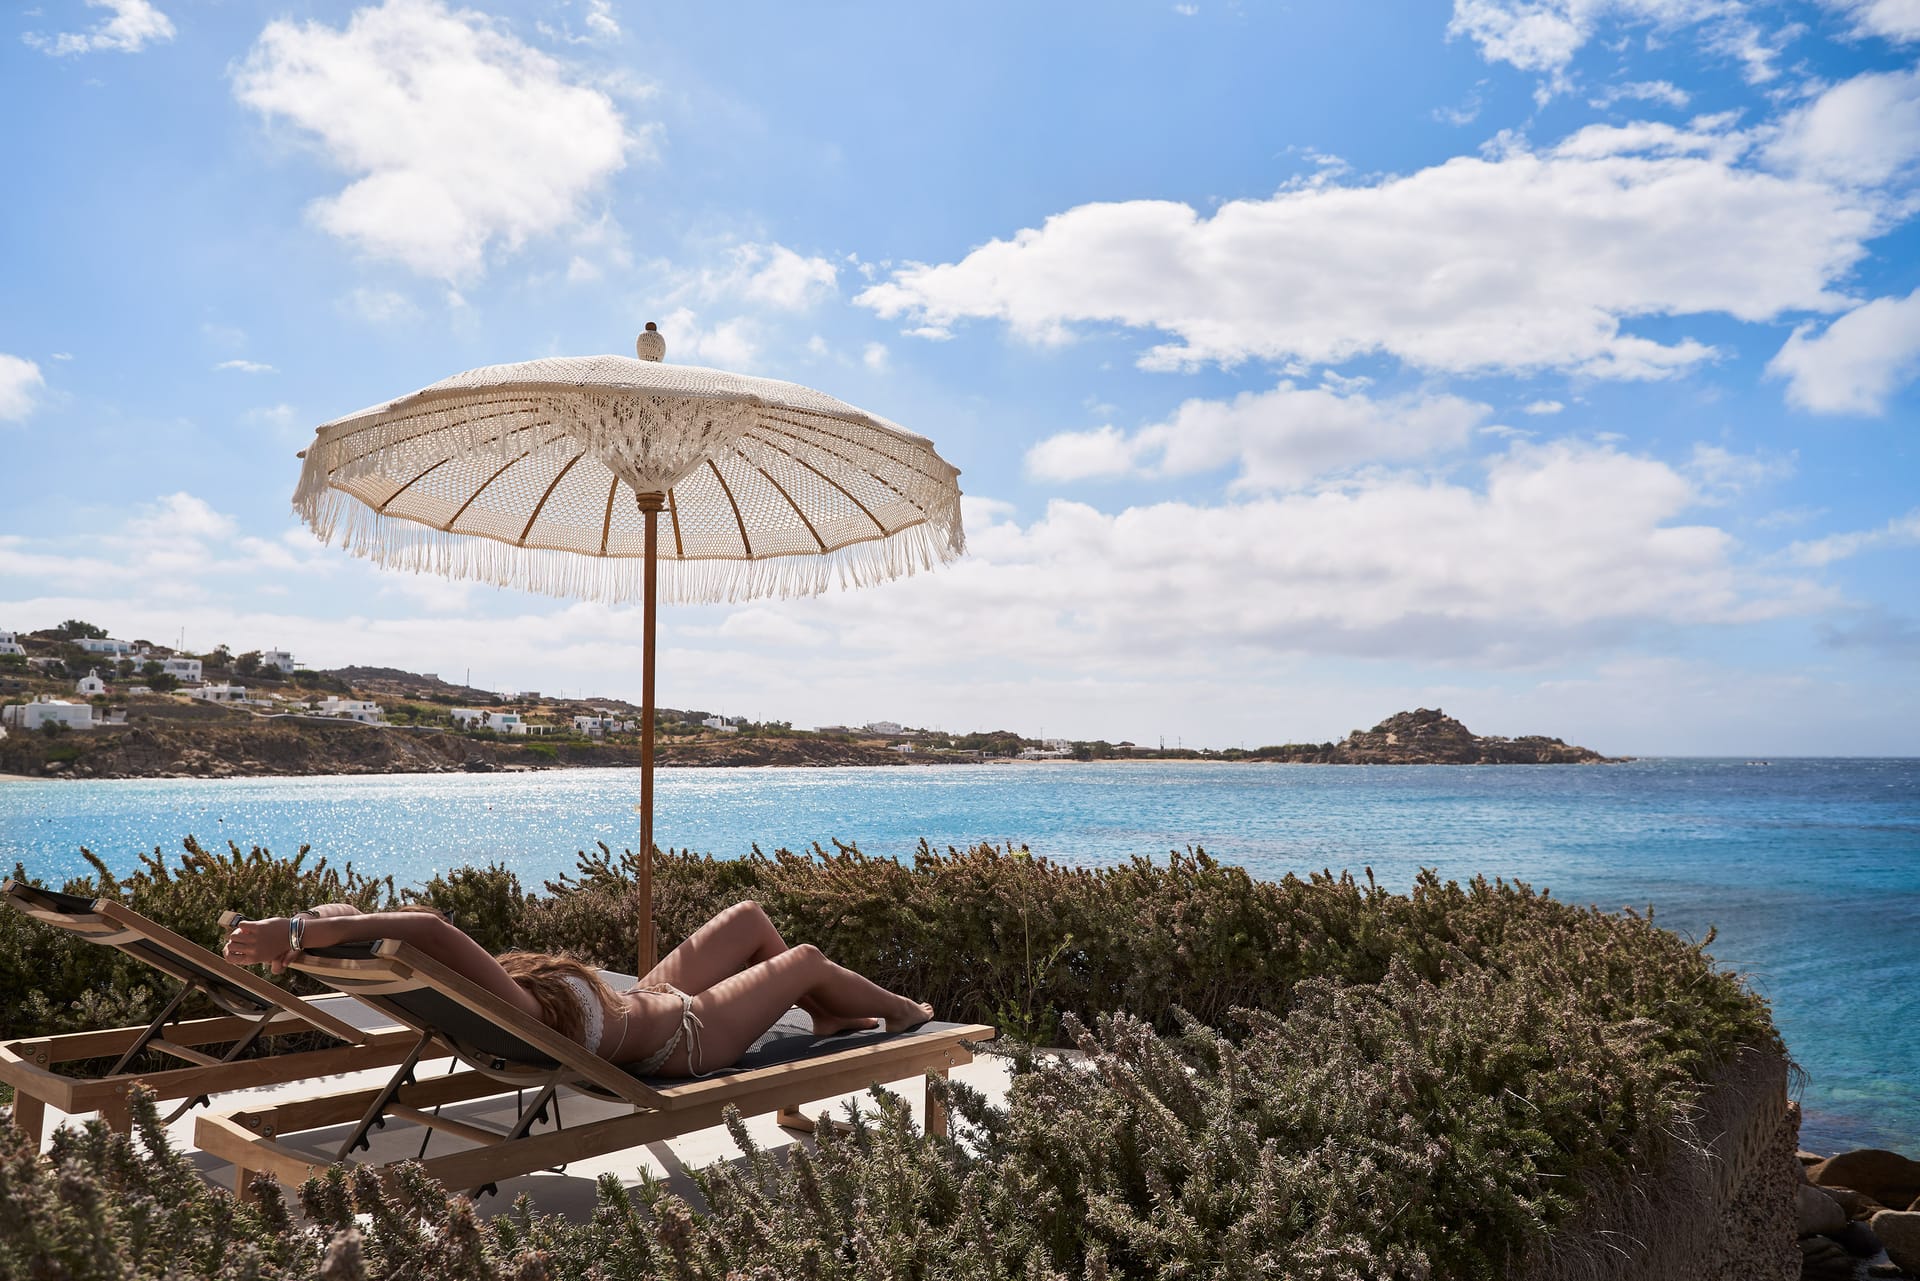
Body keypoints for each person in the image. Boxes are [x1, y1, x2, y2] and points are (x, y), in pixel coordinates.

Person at [222, 900, 933, 1077]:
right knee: (804, 956)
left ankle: (827, 1019)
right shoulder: (518, 1007)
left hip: (644, 1004)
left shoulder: (497, 998)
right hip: (687, 1037)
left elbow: (412, 929)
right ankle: (899, 1011)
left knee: (748, 919)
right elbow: (431, 928)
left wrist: (311, 929)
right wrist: (296, 930)